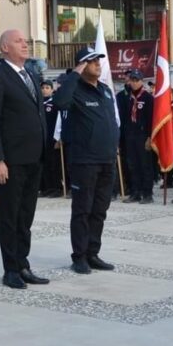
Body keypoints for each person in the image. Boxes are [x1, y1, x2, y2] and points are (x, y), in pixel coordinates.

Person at [0, 29, 49, 289]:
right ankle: (10, 269)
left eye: (25, 40)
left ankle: (23, 263)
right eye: (19, 41)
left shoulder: (31, 74)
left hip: (34, 157)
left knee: (26, 215)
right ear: (4, 47)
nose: (25, 44)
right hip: (11, 160)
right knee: (10, 215)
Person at [53, 46, 119, 274]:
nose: (97, 64)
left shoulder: (105, 90)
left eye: (98, 60)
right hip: (84, 161)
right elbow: (59, 102)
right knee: (82, 210)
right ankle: (79, 256)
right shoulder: (74, 89)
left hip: (107, 159)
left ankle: (93, 253)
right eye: (91, 61)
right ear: (82, 65)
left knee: (100, 209)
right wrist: (74, 74)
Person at [120, 69, 154, 204]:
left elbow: (152, 119)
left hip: (143, 136)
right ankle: (135, 192)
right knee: (132, 165)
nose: (133, 83)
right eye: (132, 80)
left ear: (142, 81)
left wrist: (150, 137)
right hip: (130, 135)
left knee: (145, 165)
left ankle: (147, 193)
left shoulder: (148, 98)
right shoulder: (128, 97)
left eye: (136, 80)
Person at [40, 80, 62, 197]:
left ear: (52, 90)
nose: (44, 90)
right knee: (43, 164)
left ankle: (56, 188)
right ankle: (45, 187)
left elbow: (59, 122)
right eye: (43, 87)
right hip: (41, 139)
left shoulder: (55, 103)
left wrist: (58, 138)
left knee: (54, 164)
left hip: (52, 138)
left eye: (47, 87)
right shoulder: (38, 103)